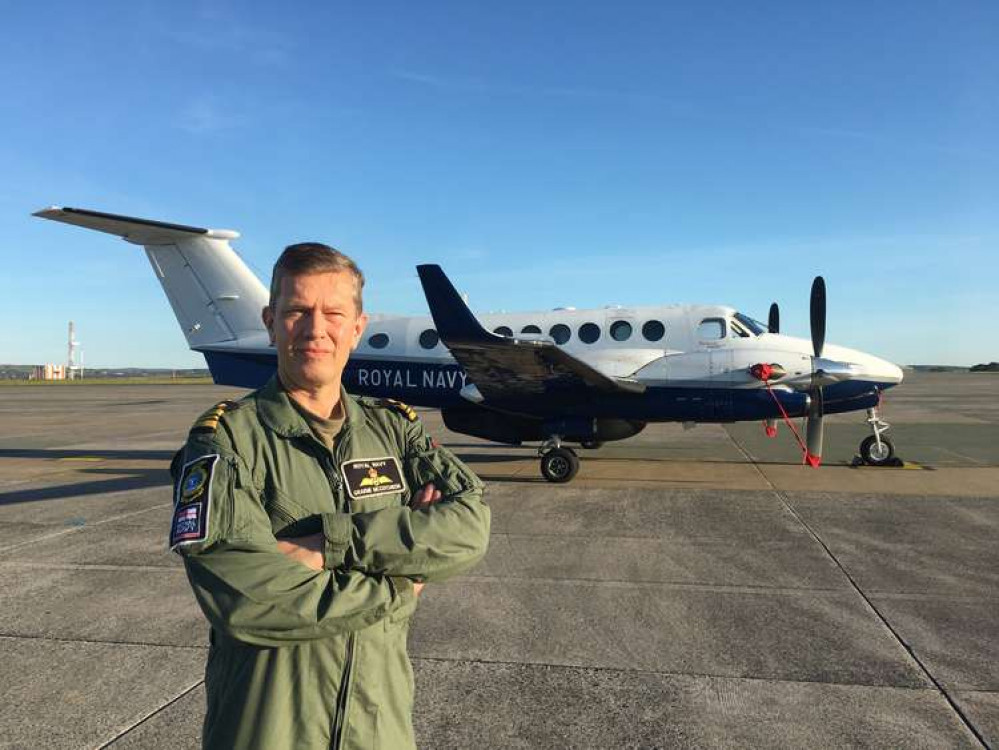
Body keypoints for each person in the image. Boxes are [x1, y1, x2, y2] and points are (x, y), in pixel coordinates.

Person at [169, 242, 490, 750]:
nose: (316, 330)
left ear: (357, 327)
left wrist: (330, 544)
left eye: (333, 313)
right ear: (271, 321)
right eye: (298, 310)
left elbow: (468, 525)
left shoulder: (394, 428)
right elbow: (247, 597)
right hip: (267, 732)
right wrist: (399, 584)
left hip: (380, 729)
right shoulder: (225, 439)